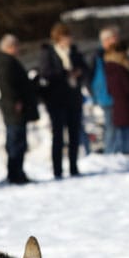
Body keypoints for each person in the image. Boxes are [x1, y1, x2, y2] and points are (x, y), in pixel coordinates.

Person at [38, 23, 89, 179]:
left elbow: (85, 69)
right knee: (58, 135)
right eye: (66, 37)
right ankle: (57, 169)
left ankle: (74, 166)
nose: (69, 40)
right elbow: (45, 73)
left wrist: (79, 73)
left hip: (73, 98)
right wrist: (64, 73)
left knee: (74, 133)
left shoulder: (74, 52)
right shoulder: (48, 53)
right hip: (56, 100)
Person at [0, 34, 39, 185]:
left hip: (16, 108)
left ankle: (18, 172)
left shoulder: (9, 61)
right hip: (14, 109)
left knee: (19, 142)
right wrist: (16, 102)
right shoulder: (5, 62)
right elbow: (7, 86)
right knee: (15, 142)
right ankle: (15, 174)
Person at [103, 43, 129, 157]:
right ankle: (126, 154)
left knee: (120, 132)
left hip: (118, 105)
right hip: (126, 105)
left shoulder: (109, 69)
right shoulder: (120, 69)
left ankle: (122, 154)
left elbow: (110, 89)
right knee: (127, 132)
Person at [89, 27, 120, 154]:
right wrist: (96, 95)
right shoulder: (98, 56)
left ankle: (117, 152)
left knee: (118, 125)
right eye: (114, 38)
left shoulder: (115, 53)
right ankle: (110, 152)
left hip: (117, 95)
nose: (116, 40)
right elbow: (93, 78)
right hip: (106, 95)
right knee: (111, 126)